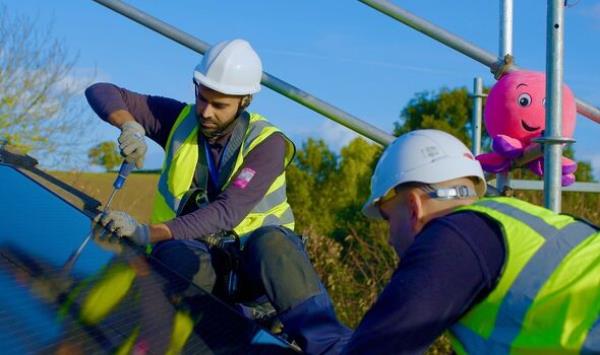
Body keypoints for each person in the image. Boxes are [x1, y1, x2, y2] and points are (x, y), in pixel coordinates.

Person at [87, 38, 350, 354]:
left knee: (273, 242)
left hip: (261, 276)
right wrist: (129, 125)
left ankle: (329, 346)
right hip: (208, 267)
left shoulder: (267, 144)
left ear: (244, 101)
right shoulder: (178, 120)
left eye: (220, 104)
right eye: (202, 98)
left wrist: (146, 232)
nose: (206, 112)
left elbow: (228, 211)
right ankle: (208, 340)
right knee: (170, 255)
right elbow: (102, 90)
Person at [342, 129, 600, 354]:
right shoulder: (514, 224)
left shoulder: (451, 239)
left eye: (388, 219)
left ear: (413, 207)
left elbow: (377, 347)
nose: (389, 238)